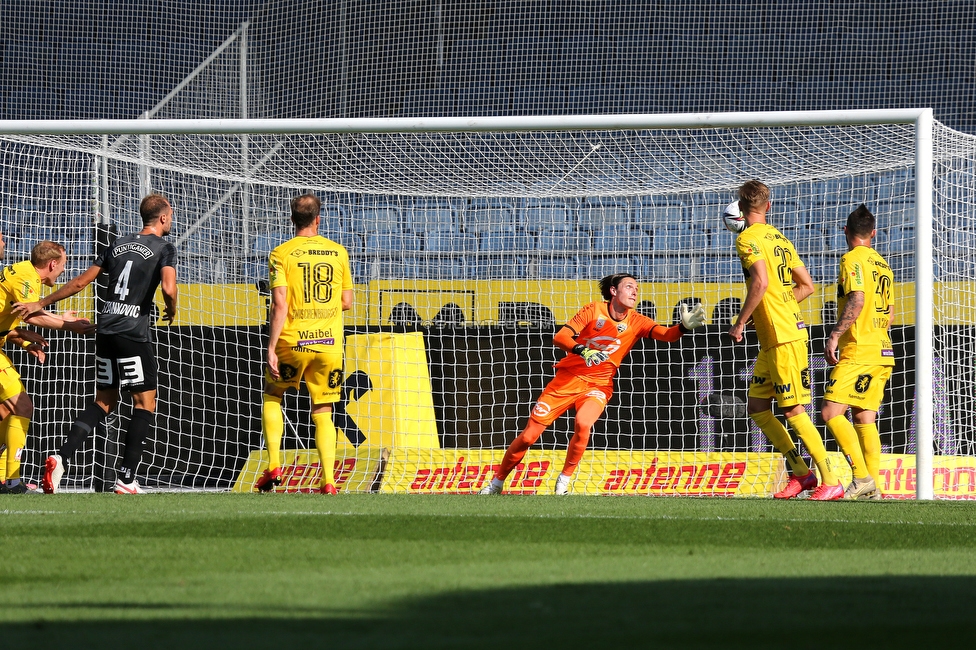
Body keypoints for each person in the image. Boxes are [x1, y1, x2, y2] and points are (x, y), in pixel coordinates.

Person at [480, 273, 706, 495]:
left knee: (583, 423)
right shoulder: (593, 310)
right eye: (629, 286)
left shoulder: (637, 321)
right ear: (613, 291)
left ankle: (563, 482)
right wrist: (583, 349)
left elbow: (667, 335)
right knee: (529, 437)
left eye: (637, 288)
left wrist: (683, 328)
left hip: (598, 385)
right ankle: (497, 483)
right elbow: (560, 337)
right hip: (566, 381)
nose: (635, 291)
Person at [15, 194, 178, 495]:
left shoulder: (115, 245)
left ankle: (61, 457)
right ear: (164, 218)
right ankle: (127, 479)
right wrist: (172, 306)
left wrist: (42, 302)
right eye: (171, 216)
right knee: (145, 403)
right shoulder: (164, 248)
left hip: (104, 330)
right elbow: (168, 287)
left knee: (103, 401)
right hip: (132, 332)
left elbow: (79, 283)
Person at [727, 180, 844, 500]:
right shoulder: (780, 238)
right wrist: (780, 303)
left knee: (793, 410)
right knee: (758, 407)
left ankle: (830, 478)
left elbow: (761, 282)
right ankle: (801, 473)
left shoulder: (747, 238)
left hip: (783, 336)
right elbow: (807, 286)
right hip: (775, 335)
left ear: (740, 206)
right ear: (769, 206)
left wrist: (741, 322)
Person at [255, 193, 353, 495]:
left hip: (292, 342)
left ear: (291, 219)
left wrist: (271, 347)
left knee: (273, 395)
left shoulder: (281, 253)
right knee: (323, 409)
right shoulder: (338, 252)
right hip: (329, 345)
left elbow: (279, 304)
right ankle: (329, 481)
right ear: (318, 219)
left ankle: (273, 465)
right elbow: (347, 302)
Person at [0, 240, 95, 493]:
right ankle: (11, 481)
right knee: (22, 405)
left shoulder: (22, 273)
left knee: (5, 411)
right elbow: (32, 315)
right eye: (63, 266)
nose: (63, 271)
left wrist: (24, 341)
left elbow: (8, 322)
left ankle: (4, 479)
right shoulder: (26, 278)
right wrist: (70, 326)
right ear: (52, 264)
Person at [821, 204, 894, 500]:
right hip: (882, 350)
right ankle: (873, 487)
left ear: (845, 232)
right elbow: (889, 313)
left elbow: (858, 298)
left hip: (859, 348)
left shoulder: (852, 259)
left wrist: (836, 333)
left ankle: (862, 477)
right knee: (864, 418)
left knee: (830, 412)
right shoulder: (883, 264)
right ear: (873, 233)